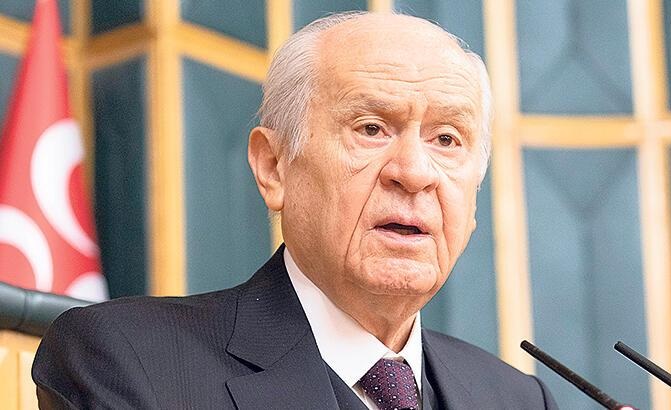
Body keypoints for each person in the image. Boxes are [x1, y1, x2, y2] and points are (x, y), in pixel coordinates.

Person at [32, 11, 558, 410]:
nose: (415, 172)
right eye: (371, 128)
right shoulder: (129, 359)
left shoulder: (518, 398)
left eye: (446, 139)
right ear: (274, 167)